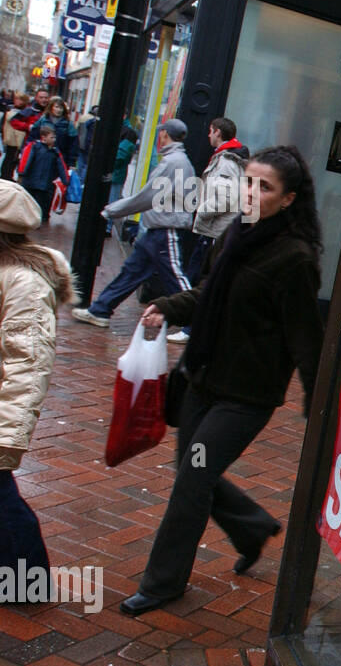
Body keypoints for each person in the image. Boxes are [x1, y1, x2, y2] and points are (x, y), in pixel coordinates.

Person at [119, 146, 325, 615]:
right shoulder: (236, 233)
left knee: (193, 480)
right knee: (192, 472)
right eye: (248, 181)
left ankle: (163, 583)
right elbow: (208, 292)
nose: (250, 192)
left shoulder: (294, 259)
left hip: (246, 396)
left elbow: (306, 340)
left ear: (288, 199)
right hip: (202, 377)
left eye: (264, 186)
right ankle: (251, 528)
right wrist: (168, 306)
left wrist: (318, 408)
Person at [0, 181, 75, 584]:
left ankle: (27, 581)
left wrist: (7, 434)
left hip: (2, 405)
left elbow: (28, 362)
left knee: (3, 501)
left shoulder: (24, 283)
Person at [71, 119, 194, 327]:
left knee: (175, 278)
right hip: (159, 228)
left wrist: (112, 210)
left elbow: (146, 197)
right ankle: (100, 310)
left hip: (165, 228)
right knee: (131, 272)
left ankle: (195, 323)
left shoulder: (173, 162)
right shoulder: (178, 161)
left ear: (164, 134)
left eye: (160, 133)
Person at [171, 117, 247, 344]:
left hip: (214, 232)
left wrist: (202, 212)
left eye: (211, 131)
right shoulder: (227, 158)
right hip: (216, 231)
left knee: (201, 279)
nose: (208, 135)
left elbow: (225, 198)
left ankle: (190, 328)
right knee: (203, 278)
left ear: (218, 132)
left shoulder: (226, 161)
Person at [15, 125, 70, 225]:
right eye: (52, 137)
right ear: (43, 137)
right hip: (40, 184)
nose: (54, 140)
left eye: (54, 137)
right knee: (38, 203)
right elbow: (62, 167)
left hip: (34, 183)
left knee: (34, 203)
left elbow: (26, 161)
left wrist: (22, 174)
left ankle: (35, 218)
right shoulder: (51, 151)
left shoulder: (39, 148)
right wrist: (65, 180)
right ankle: (39, 219)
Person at [32, 97, 77, 168]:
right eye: (56, 107)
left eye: (61, 108)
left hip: (60, 156)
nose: (58, 110)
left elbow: (73, 144)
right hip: (41, 154)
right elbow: (33, 136)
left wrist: (71, 162)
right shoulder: (43, 120)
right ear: (51, 108)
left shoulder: (68, 124)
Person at [1, 93, 29, 182]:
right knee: (10, 157)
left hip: (18, 139)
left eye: (21, 99)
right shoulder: (11, 111)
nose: (18, 101)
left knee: (14, 158)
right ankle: (6, 175)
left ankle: (8, 175)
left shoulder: (25, 111)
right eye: (17, 99)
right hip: (11, 138)